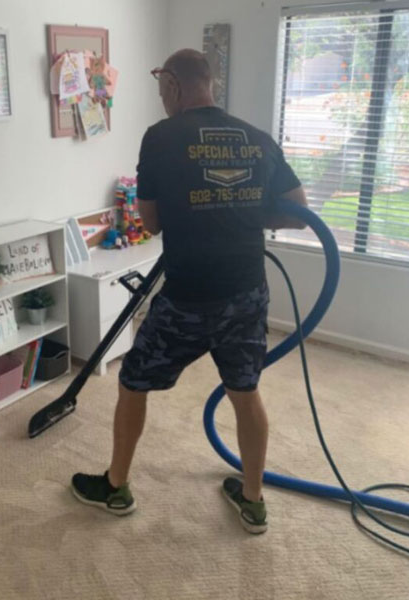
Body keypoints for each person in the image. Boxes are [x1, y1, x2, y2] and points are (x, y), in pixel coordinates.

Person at [71, 49, 307, 534]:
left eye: (161, 91)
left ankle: (116, 488)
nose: (161, 101)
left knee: (133, 380)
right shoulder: (257, 138)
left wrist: (204, 207)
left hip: (188, 297)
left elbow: (152, 222)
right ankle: (253, 500)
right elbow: (298, 211)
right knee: (246, 391)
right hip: (246, 291)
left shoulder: (161, 138)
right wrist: (241, 209)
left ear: (174, 85)